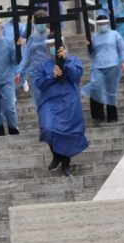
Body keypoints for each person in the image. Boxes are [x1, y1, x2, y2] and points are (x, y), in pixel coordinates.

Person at [33, 42, 88, 177]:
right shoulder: (43, 65)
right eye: (50, 45)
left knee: (66, 132)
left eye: (56, 45)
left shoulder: (73, 59)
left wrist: (66, 61)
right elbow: (38, 83)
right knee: (47, 128)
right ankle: (56, 154)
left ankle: (65, 164)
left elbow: (76, 76)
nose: (54, 48)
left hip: (68, 101)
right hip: (49, 102)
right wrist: (51, 76)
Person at [81, 15, 124, 123]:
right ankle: (97, 115)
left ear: (107, 23)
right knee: (95, 87)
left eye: (104, 24)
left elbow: (123, 48)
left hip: (113, 65)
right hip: (98, 66)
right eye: (100, 24)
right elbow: (91, 54)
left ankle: (112, 116)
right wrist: (88, 47)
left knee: (111, 90)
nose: (102, 26)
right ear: (97, 25)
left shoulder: (115, 34)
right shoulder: (94, 37)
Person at [16, 10, 55, 110]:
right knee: (39, 102)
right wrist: (19, 71)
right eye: (38, 21)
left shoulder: (52, 35)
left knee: (51, 101)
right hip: (35, 74)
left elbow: (60, 53)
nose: (40, 24)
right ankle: (43, 122)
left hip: (50, 73)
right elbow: (26, 56)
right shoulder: (32, 38)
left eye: (42, 20)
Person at [2, 17, 30, 94]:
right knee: (12, 68)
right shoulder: (5, 26)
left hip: (19, 49)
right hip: (9, 50)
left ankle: (23, 81)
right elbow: (3, 37)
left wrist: (22, 42)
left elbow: (25, 36)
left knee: (21, 67)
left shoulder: (20, 26)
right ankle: (13, 87)